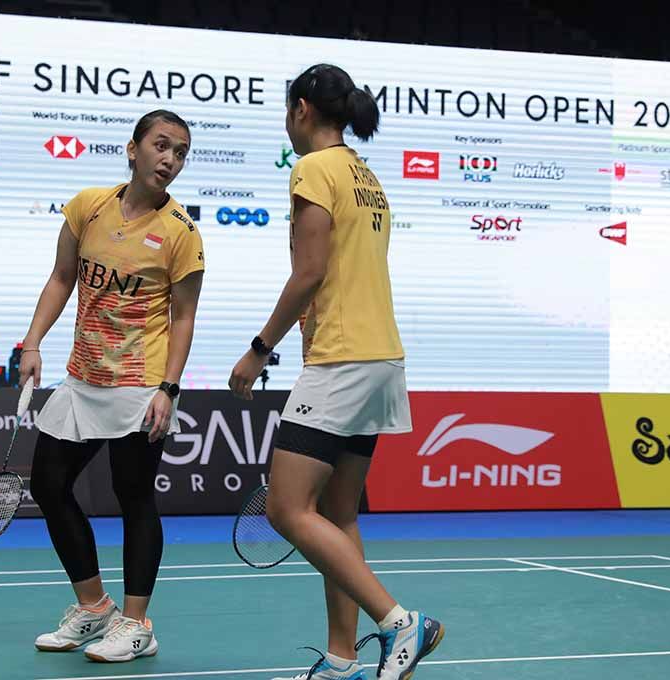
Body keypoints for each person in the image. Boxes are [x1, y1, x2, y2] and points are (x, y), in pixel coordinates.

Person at [228, 64, 443, 680]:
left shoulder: (314, 169)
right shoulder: (366, 175)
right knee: (339, 513)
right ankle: (341, 658)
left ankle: (400, 622)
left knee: (288, 510)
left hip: (341, 360)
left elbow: (310, 272)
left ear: (300, 109)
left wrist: (259, 347)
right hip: (381, 358)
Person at [19, 109, 204, 663]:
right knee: (49, 485)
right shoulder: (88, 207)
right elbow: (61, 278)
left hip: (138, 384)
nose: (169, 159)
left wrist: (168, 388)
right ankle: (94, 606)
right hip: (82, 376)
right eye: (161, 145)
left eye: (180, 152)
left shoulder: (181, 234)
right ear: (133, 149)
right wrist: (32, 344)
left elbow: (184, 317)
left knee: (134, 497)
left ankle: (138, 624)